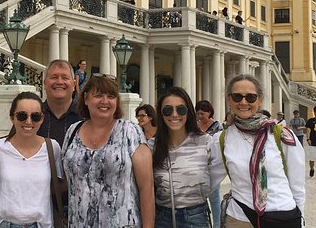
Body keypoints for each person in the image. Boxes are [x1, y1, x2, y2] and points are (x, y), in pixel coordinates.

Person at [62, 74, 154, 227]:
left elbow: (147, 189)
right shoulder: (73, 131)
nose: (105, 101)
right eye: (98, 95)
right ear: (86, 99)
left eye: (110, 96)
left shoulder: (130, 132)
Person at [221, 74, 305, 227]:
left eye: (250, 97)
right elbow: (208, 176)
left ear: (260, 100)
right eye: (237, 96)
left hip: (282, 215)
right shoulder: (223, 138)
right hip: (241, 217)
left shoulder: (281, 135)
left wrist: (301, 218)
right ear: (229, 100)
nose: (243, 102)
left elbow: (297, 182)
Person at [0, 91, 61, 228]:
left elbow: (60, 184)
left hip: (40, 224)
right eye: (22, 116)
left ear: (42, 119)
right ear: (12, 117)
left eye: (35, 117)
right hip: (3, 224)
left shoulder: (52, 148)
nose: (28, 121)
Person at [153, 89, 225, 227]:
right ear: (161, 114)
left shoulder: (205, 142)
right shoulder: (152, 146)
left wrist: (197, 191)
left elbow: (216, 175)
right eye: (167, 110)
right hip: (161, 217)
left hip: (195, 216)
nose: (174, 114)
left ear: (188, 112)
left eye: (181, 110)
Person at [36, 59, 81, 147]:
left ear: (74, 85)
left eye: (65, 77)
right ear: (45, 84)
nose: (59, 82)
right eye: (54, 77)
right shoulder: (32, 116)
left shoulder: (86, 117)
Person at [196, 100, 224, 228]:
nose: (200, 116)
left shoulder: (217, 127)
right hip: (197, 166)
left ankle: (217, 225)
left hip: (211, 166)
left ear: (209, 112)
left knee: (214, 198)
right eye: (198, 113)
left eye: (202, 113)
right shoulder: (196, 126)